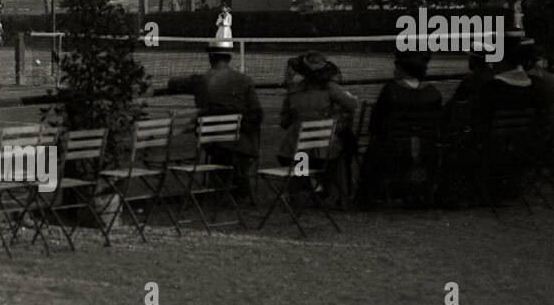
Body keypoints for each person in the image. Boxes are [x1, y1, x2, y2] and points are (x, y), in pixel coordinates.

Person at [169, 47, 264, 197]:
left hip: (213, 141)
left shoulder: (201, 80)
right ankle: (238, 182)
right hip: (242, 141)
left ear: (211, 57)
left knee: (222, 145)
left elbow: (173, 83)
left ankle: (223, 183)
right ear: (229, 58)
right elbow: (257, 113)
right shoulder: (244, 80)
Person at [356, 51, 443, 209]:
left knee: (374, 148)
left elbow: (376, 122)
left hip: (395, 149)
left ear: (403, 70)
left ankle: (367, 199)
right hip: (425, 148)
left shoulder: (391, 90)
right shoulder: (433, 93)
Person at [278, 53, 358, 206]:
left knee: (300, 151)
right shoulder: (331, 88)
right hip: (326, 150)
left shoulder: (294, 91)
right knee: (343, 146)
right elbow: (353, 105)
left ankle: (305, 189)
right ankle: (339, 192)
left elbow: (284, 121)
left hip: (296, 152)